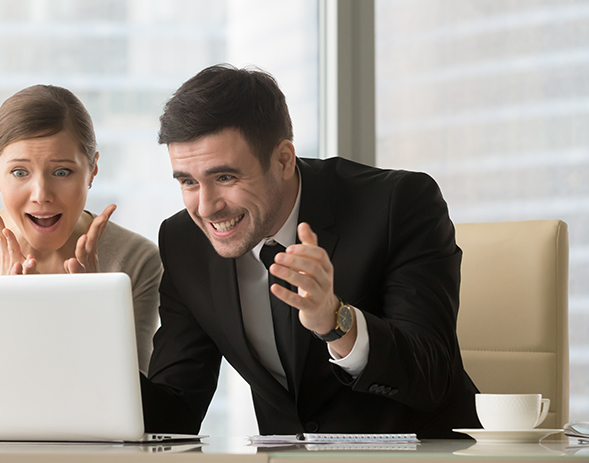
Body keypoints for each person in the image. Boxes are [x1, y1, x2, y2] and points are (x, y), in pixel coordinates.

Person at [139, 64, 481, 438]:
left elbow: (433, 376)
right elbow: (173, 414)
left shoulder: (397, 204)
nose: (205, 208)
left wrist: (337, 321)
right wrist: (93, 339)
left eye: (225, 177)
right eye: (188, 182)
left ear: (284, 159)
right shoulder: (184, 241)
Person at [0, 85, 162, 373]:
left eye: (62, 172)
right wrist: (4, 307)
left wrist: (94, 310)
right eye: (20, 172)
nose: (41, 194)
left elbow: (133, 407)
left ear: (92, 169)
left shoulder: (136, 261)